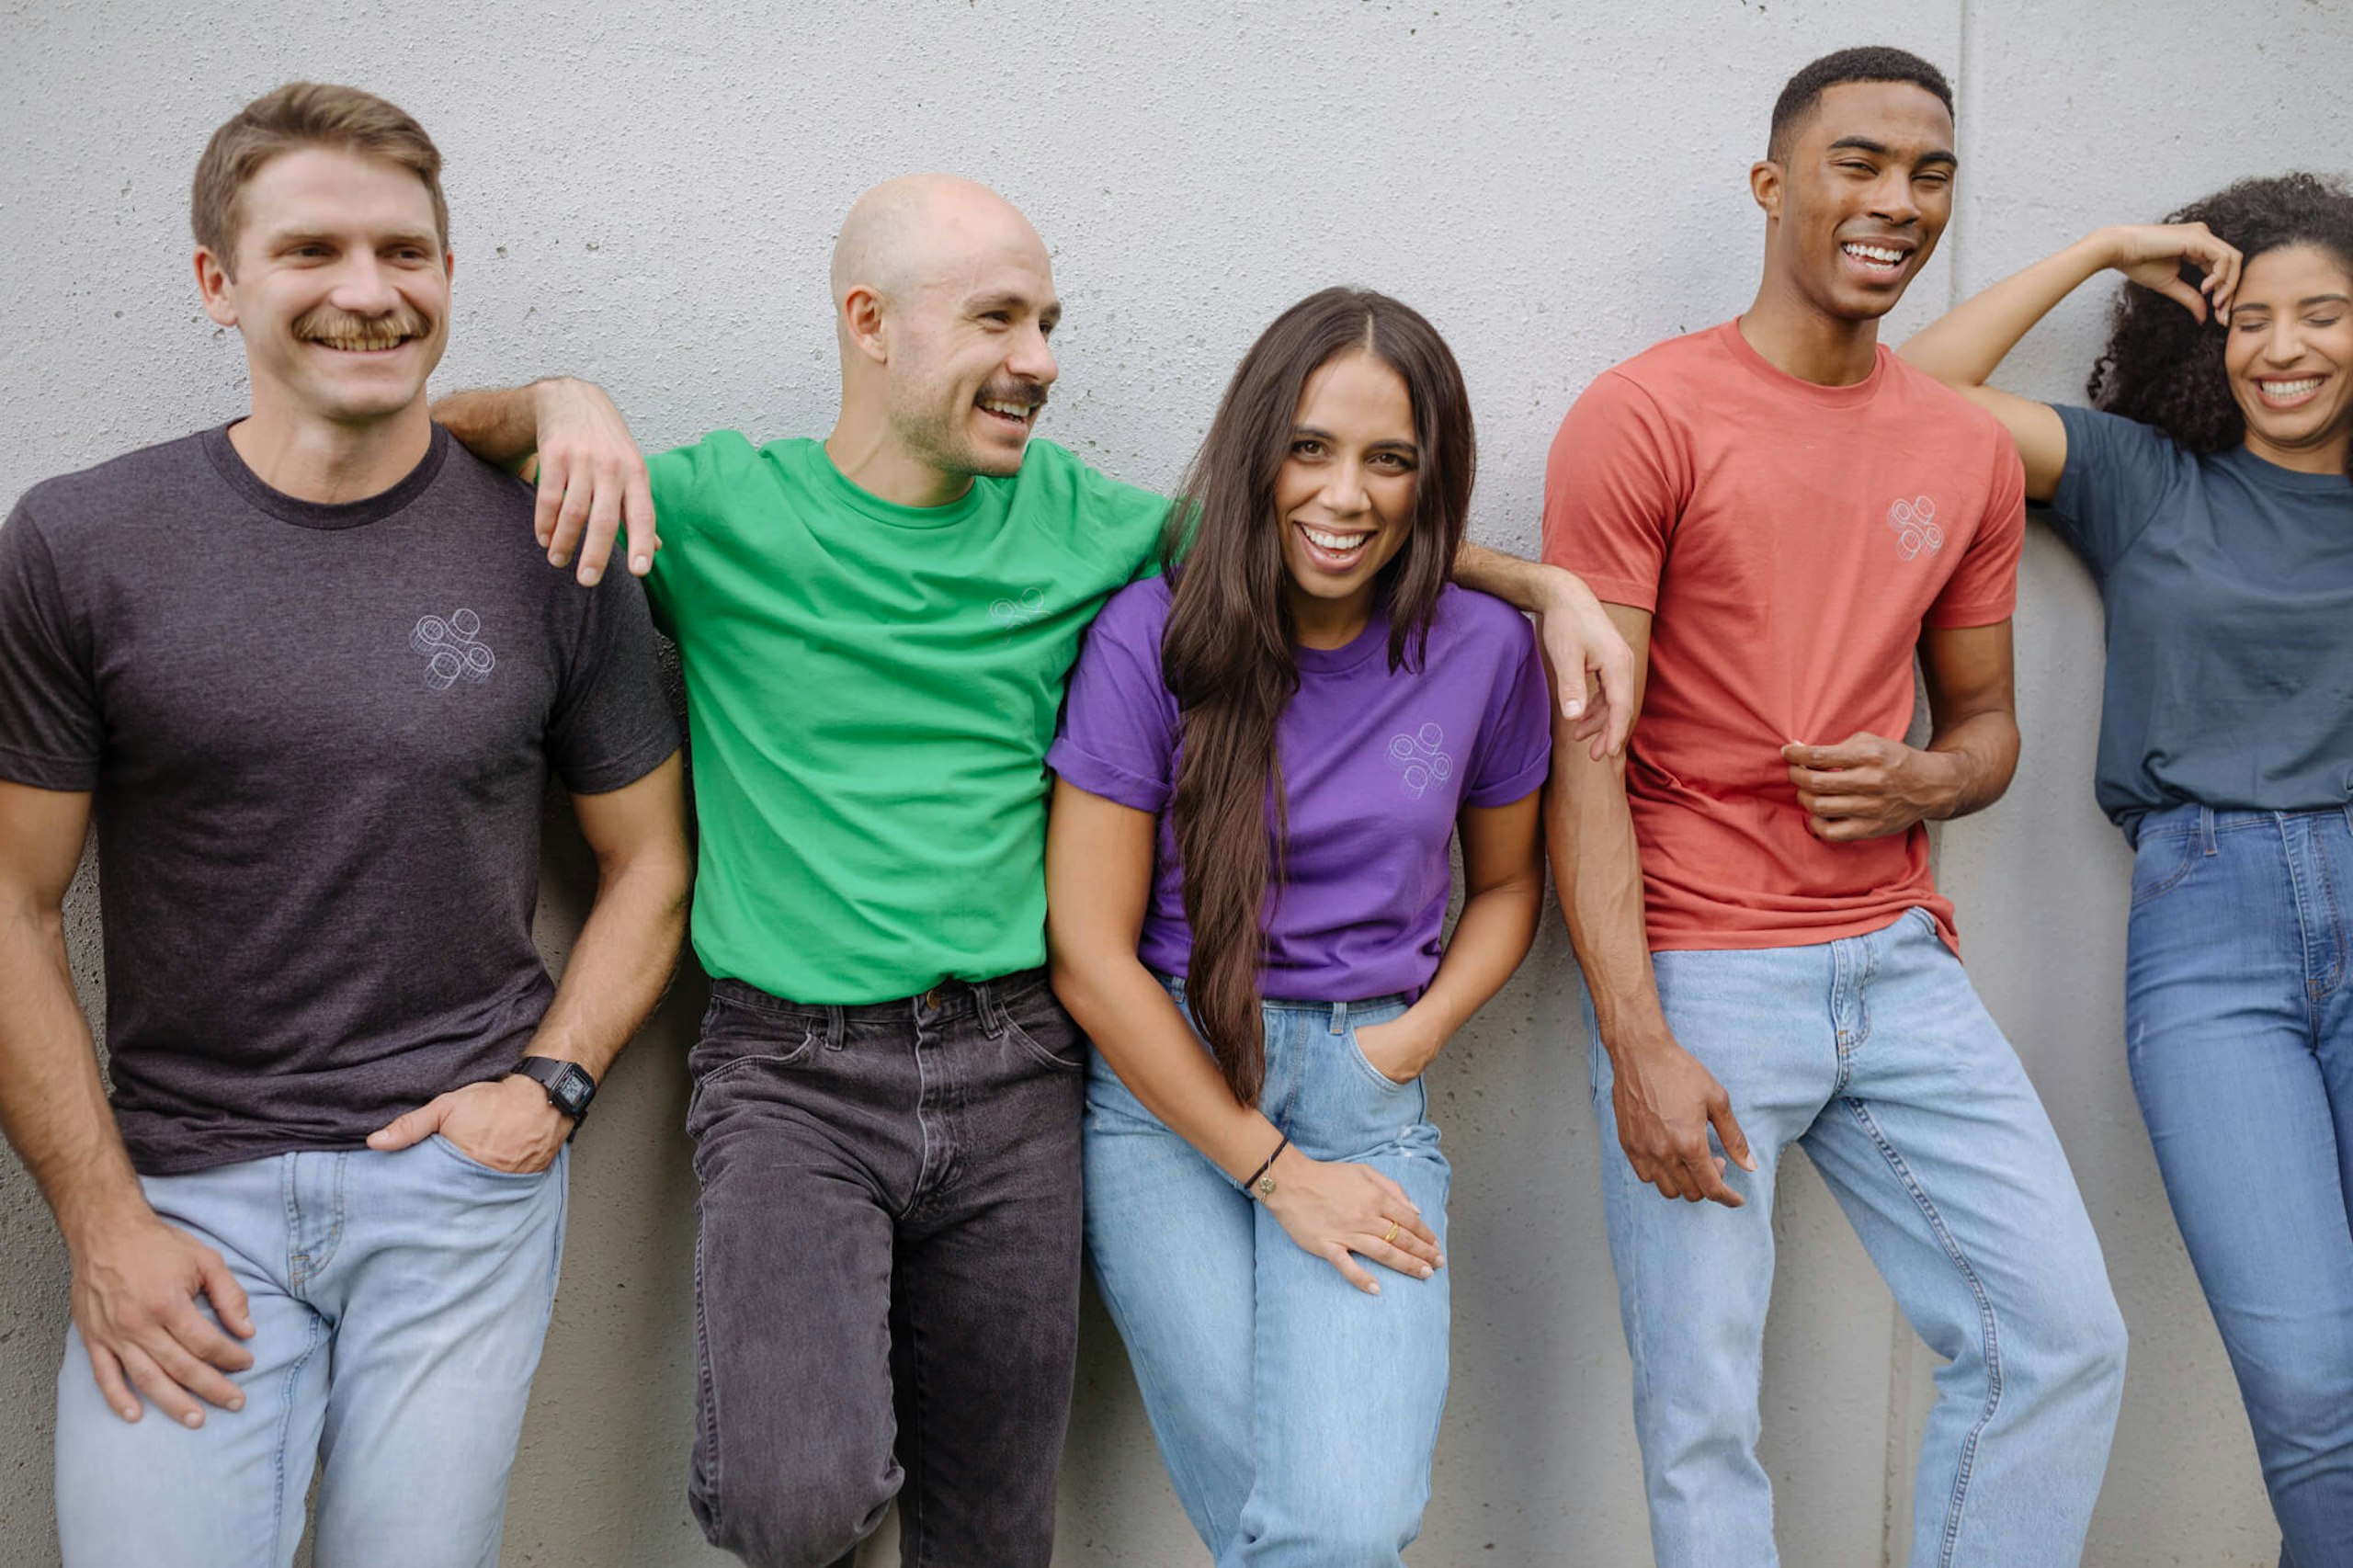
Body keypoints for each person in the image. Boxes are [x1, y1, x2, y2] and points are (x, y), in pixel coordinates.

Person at [432, 176, 1631, 1568]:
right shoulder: (715, 507)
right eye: (1000, 318)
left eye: (1049, 321)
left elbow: (1326, 532)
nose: (1042, 360)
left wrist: (1546, 589)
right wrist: (561, 400)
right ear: (868, 323)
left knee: (999, 1532)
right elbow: (421, 444)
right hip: (788, 1066)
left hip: (1017, 1060)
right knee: (794, 1501)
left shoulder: (1092, 527)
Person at [0, 84, 688, 1568]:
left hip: (458, 1188)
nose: (369, 293)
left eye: (408, 253)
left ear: (448, 274)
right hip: (184, 1192)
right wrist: (102, 1221)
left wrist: (549, 1090)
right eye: (311, 250)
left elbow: (651, 862)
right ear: (217, 283)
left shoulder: (553, 543)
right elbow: (9, 900)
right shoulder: (80, 542)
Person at [1540, 47, 2130, 1566]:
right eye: (1857, 162)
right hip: (1706, 967)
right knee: (1702, 1409)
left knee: (2059, 1336)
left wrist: (1936, 774)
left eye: (1929, 174)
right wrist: (1635, 1036)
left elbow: (1988, 727)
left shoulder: (1962, 448)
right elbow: (1583, 755)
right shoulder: (1646, 414)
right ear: (1773, 184)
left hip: (1897, 958)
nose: (1896, 202)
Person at [1045, 287, 1548, 1564]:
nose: (1346, 493)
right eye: (1311, 447)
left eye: (1391, 460)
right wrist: (1272, 1167)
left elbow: (1507, 889)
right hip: (1170, 1095)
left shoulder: (1484, 650)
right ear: (1257, 451)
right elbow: (1091, 955)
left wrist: (1410, 1039)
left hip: (1368, 1085)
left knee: (1338, 1521)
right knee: (1300, 1529)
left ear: (1432, 481)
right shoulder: (1149, 638)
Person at [1902, 172, 2353, 1566]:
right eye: (2250, 318)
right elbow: (1898, 401)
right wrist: (2099, 248)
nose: (2283, 347)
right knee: (2314, 1386)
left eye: (2325, 314)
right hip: (2211, 935)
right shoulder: (2146, 480)